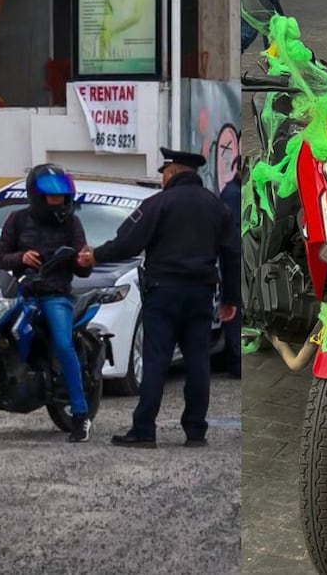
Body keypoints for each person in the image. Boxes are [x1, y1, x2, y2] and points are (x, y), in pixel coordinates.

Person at [83, 148, 241, 448]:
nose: (162, 179)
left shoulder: (159, 203)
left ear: (172, 172)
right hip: (200, 294)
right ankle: (195, 432)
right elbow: (232, 254)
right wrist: (231, 299)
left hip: (163, 293)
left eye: (164, 173)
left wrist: (96, 255)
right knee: (197, 361)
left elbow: (127, 244)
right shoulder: (216, 206)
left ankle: (144, 430)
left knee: (156, 360)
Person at [0, 163, 95, 443]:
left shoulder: (72, 223)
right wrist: (21, 258)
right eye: (52, 197)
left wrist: (84, 260)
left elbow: (82, 266)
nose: (58, 202)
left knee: (63, 344)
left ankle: (80, 414)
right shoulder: (16, 219)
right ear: (36, 197)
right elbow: (1, 257)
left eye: (62, 197)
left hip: (56, 294)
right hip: (22, 292)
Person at [217, 156, 243, 379]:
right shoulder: (233, 195)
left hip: (234, 260)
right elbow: (232, 235)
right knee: (235, 310)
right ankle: (235, 361)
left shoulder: (233, 193)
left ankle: (236, 359)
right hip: (233, 262)